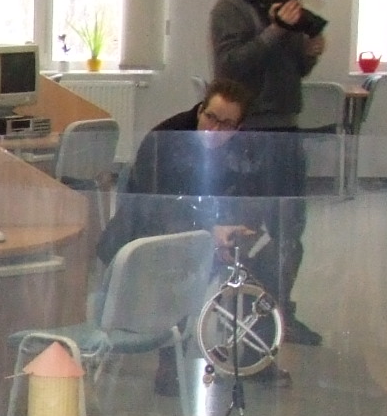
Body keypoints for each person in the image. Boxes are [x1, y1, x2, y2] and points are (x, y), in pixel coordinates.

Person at [97, 73, 268, 395]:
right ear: (200, 109)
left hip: (205, 234)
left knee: (265, 258)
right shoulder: (166, 139)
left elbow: (253, 197)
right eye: (210, 118)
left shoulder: (245, 149)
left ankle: (255, 352)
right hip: (148, 237)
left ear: (239, 128)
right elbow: (156, 208)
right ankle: (170, 362)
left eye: (226, 125)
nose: (214, 130)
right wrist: (209, 232)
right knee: (185, 265)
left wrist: (239, 228)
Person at [207, 0, 325, 344]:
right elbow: (231, 67)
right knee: (248, 232)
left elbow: (292, 70)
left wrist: (309, 51)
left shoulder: (280, 3)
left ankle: (277, 313)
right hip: (251, 136)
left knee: (290, 232)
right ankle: (244, 317)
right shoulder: (231, 8)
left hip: (286, 130)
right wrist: (276, 30)